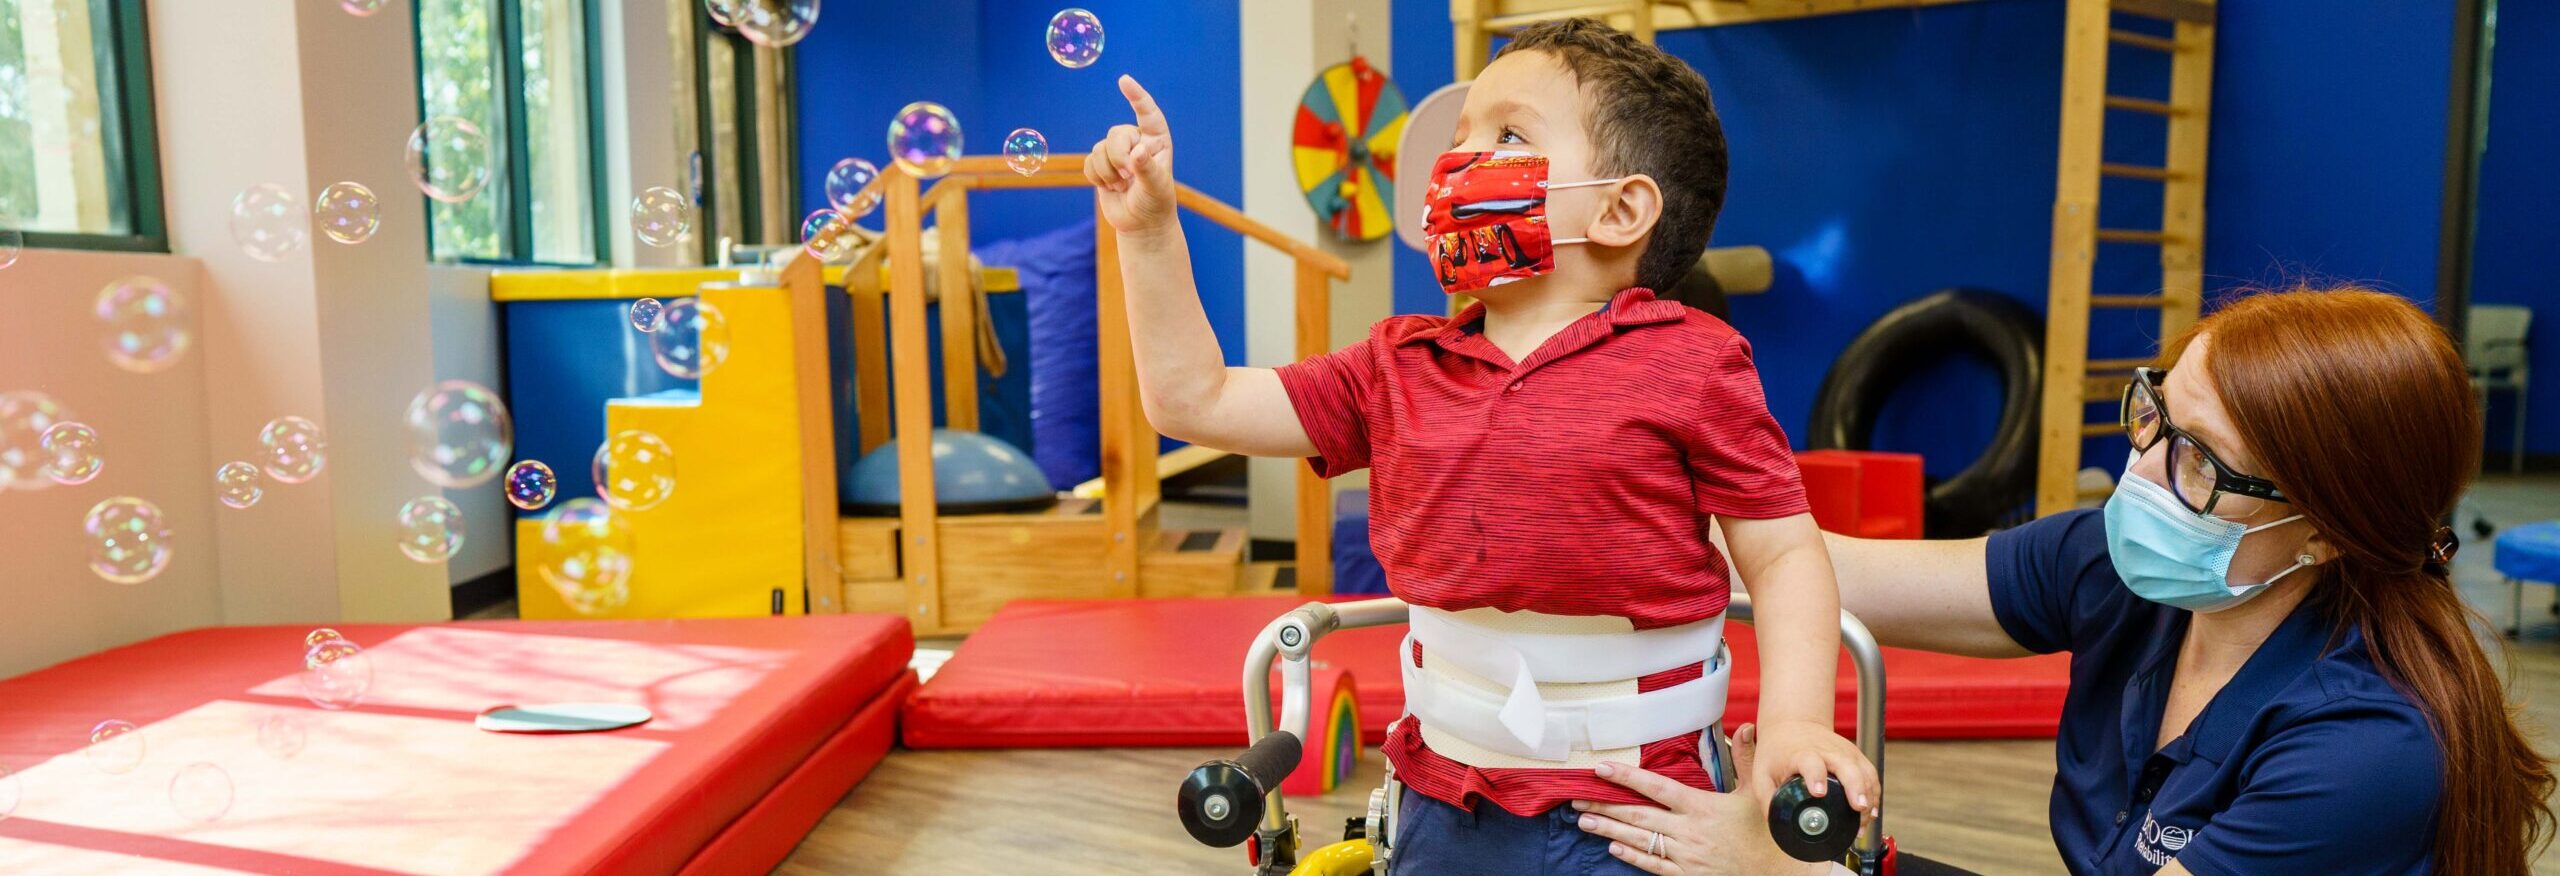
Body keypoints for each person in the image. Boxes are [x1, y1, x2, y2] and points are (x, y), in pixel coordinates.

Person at [1081, 17, 1876, 874]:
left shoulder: (1694, 361)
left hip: (1641, 808)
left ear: (1620, 208)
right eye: (1460, 139)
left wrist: (1796, 721)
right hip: (1441, 797)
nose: (1456, 163)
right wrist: (1149, 233)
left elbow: (1786, 556)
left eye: (1507, 135)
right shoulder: (1397, 364)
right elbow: (1192, 400)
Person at [1571, 288, 2557, 875]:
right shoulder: (2125, 570)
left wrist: (1794, 869)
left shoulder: (2363, 752)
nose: (2143, 474)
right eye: (2152, 416)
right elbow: (1835, 569)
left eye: (2199, 464)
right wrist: (1599, 484)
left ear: (2331, 528)